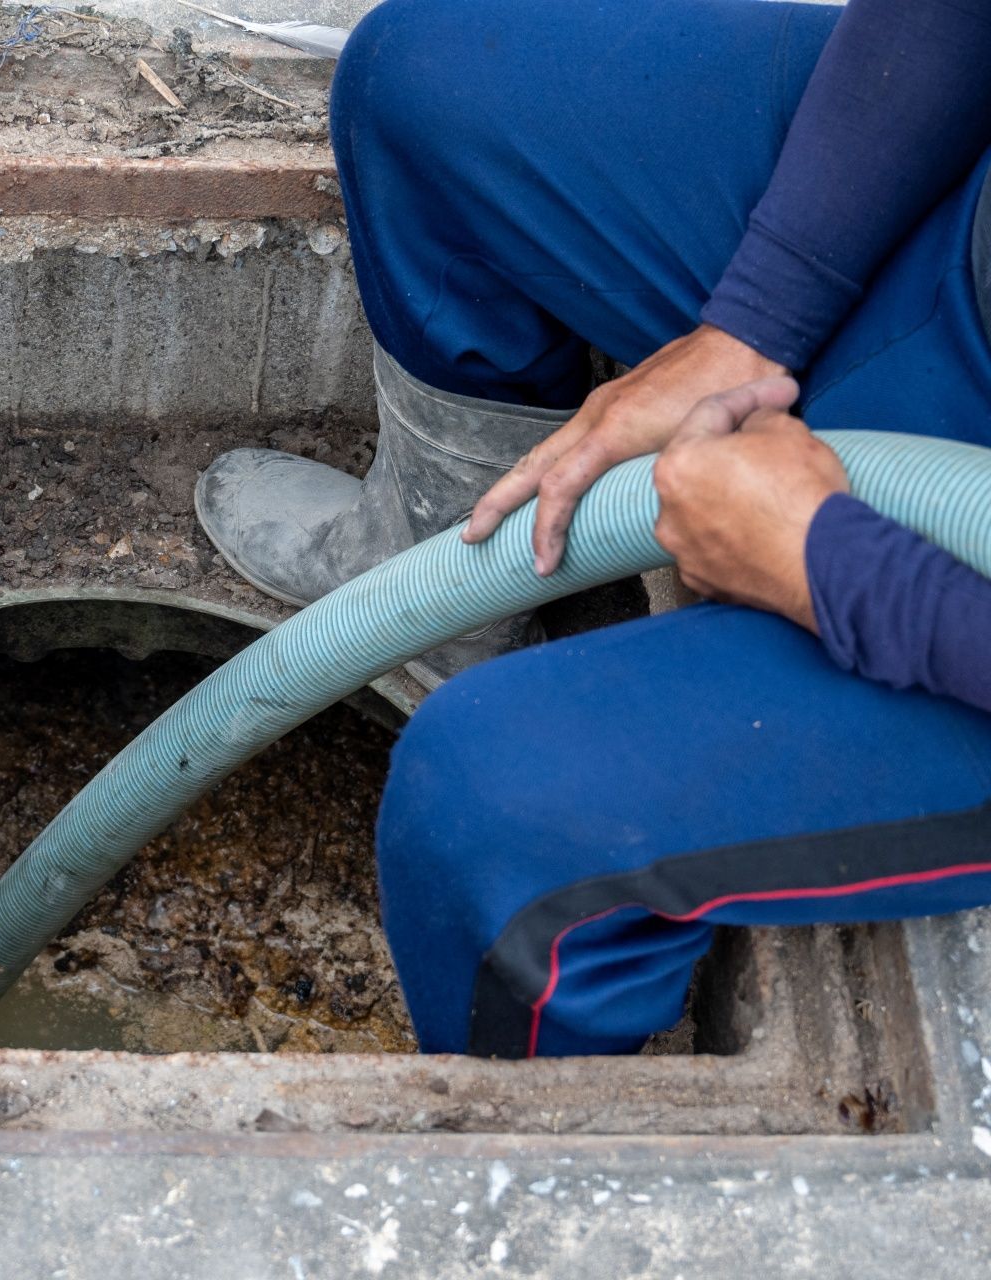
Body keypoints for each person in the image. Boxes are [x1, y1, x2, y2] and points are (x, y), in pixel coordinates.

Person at [193, 0, 991, 1055]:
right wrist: (757, 315)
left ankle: (521, 1169)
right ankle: (441, 584)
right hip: (957, 245)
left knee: (492, 813)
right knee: (424, 81)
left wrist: (836, 570)